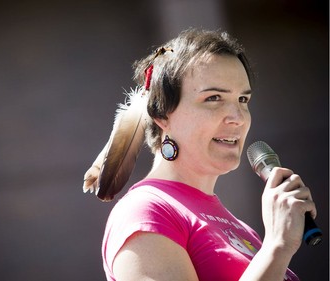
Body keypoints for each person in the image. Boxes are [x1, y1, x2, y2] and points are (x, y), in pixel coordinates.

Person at [83, 29, 317, 280]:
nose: (238, 118)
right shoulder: (146, 212)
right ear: (161, 114)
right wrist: (276, 247)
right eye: (214, 98)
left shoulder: (240, 229)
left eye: (242, 99)